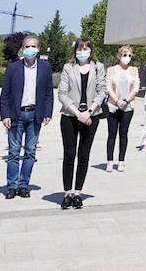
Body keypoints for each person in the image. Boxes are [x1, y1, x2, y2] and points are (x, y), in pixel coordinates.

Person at [0, 33, 55, 199]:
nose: (30, 49)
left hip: (35, 115)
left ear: (38, 49)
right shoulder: (13, 68)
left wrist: (47, 113)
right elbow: (5, 94)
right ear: (22, 49)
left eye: (33, 46)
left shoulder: (45, 67)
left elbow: (48, 93)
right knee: (14, 152)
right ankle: (11, 186)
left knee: (30, 152)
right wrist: (5, 115)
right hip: (16, 115)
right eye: (27, 46)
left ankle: (23, 185)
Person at [57, 39, 105, 209]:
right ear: (75, 50)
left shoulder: (98, 66)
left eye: (86, 49)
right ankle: (67, 193)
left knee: (84, 155)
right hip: (70, 115)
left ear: (91, 50)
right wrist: (78, 114)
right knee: (69, 155)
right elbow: (62, 93)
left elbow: (102, 91)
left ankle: (77, 193)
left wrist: (89, 112)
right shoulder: (68, 67)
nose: (82, 51)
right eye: (80, 48)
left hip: (92, 116)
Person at [104, 45, 140, 172]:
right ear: (119, 56)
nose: (127, 58)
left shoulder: (134, 70)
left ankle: (121, 161)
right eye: (125, 55)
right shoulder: (111, 70)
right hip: (113, 105)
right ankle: (109, 161)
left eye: (129, 55)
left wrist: (126, 100)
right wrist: (117, 100)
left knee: (123, 134)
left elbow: (136, 87)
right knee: (112, 134)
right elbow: (107, 86)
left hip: (128, 106)